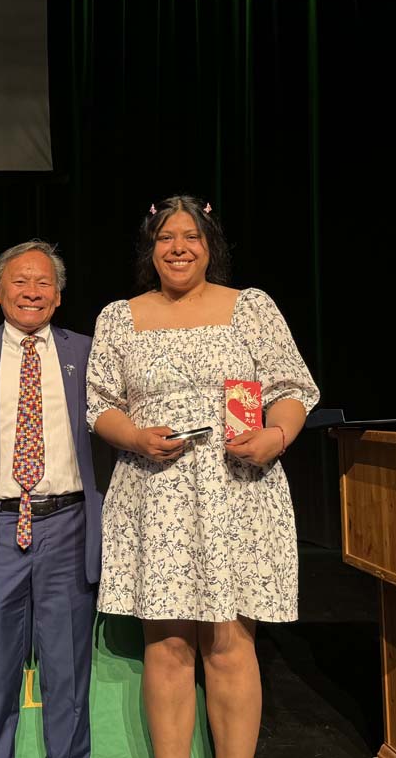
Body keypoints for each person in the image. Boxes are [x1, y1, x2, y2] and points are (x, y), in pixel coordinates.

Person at [86, 195, 319, 758]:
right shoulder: (120, 315)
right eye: (166, 237)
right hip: (156, 492)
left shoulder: (251, 307)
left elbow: (292, 390)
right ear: (151, 249)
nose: (179, 247)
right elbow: (100, 404)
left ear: (210, 246)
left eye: (191, 236)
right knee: (166, 647)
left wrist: (275, 436)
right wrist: (135, 436)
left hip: (236, 491)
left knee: (229, 644)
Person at [0, 241, 102, 758]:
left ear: (58, 297)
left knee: (69, 683)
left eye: (44, 283)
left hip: (69, 525)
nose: (32, 292)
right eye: (20, 281)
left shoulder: (89, 351)